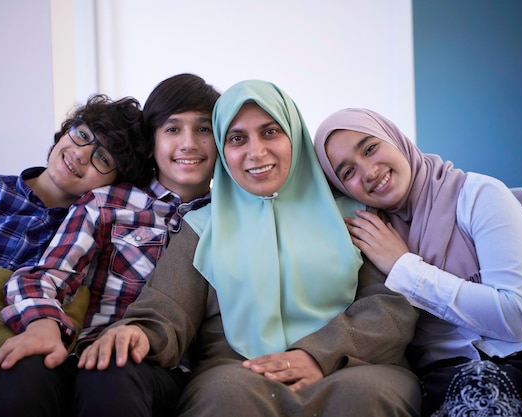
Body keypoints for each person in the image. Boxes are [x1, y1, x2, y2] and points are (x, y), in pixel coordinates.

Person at [78, 80, 421, 416]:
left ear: (295, 135)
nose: (256, 152)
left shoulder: (354, 214)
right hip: (242, 370)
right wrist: (139, 331)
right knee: (225, 398)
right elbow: (168, 306)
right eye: (237, 138)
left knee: (366, 397)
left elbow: (390, 305)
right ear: (223, 153)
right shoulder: (202, 227)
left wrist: (318, 354)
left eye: (270, 132)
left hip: (353, 364)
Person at [0, 73, 220, 417]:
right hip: (80, 349)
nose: (189, 143)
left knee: (111, 373)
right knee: (21, 368)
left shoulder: (226, 219)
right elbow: (43, 276)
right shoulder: (107, 203)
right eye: (172, 129)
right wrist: (43, 324)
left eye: (204, 129)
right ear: (151, 142)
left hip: (158, 367)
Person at [0, 94, 150, 417]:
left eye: (102, 158)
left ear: (116, 184)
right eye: (81, 135)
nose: (80, 155)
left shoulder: (94, 235)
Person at [313, 107, 522, 416]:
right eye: (347, 172)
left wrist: (404, 266)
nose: (369, 171)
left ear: (394, 138)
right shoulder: (369, 232)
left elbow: (514, 317)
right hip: (448, 377)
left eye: (370, 148)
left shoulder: (479, 196)